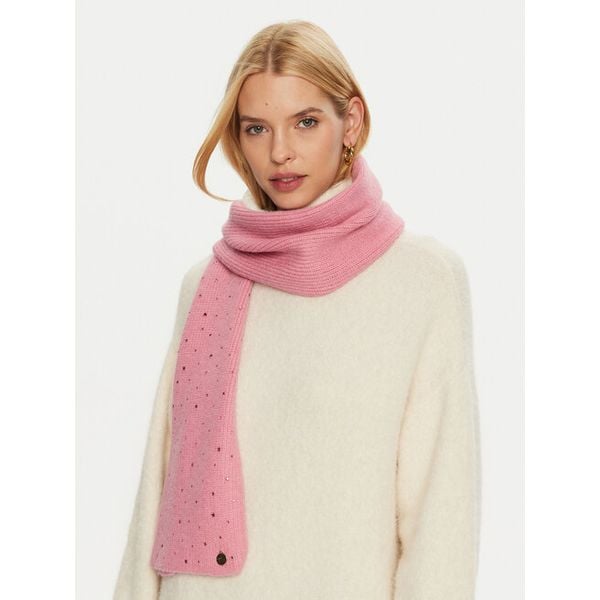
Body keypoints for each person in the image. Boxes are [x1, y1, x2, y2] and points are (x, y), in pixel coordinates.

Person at [113, 19, 482, 600]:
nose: (279, 152)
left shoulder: (422, 280)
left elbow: (441, 520)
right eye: (256, 128)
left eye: (305, 122)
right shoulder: (208, 284)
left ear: (350, 122)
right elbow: (156, 496)